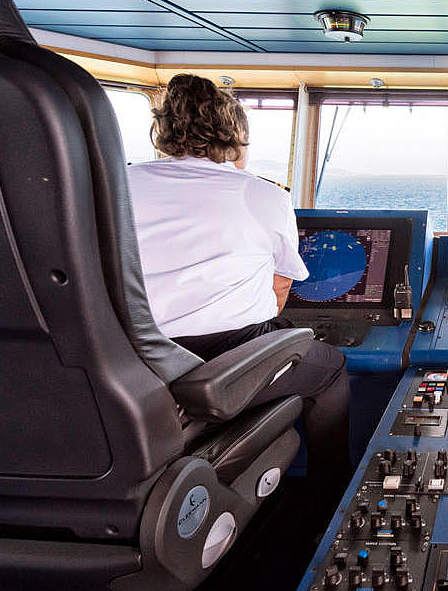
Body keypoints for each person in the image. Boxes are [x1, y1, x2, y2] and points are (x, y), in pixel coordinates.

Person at [125, 74, 350, 514]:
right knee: (332, 371)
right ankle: (331, 505)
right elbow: (280, 288)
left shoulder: (117, 184)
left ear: (162, 130)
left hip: (132, 360)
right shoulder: (260, 194)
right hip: (225, 357)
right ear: (235, 136)